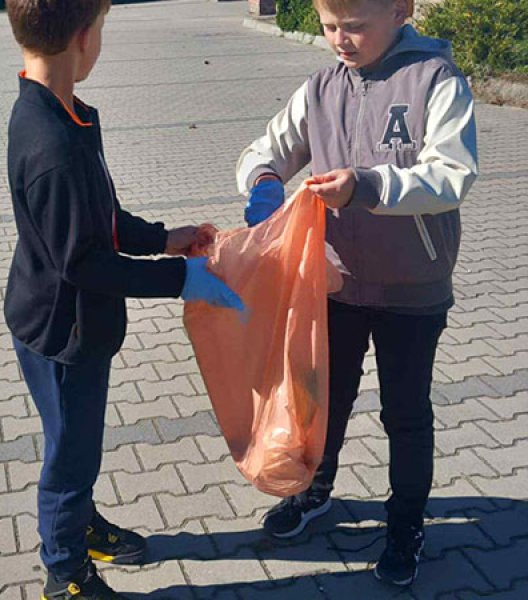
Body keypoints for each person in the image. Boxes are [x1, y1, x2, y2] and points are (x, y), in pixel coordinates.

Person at [4, 2, 243, 598]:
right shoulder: (52, 145)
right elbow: (85, 263)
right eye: (104, 28)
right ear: (84, 38)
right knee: (71, 455)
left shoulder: (66, 116)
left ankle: (79, 525)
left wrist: (163, 239)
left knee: (78, 444)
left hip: (69, 323)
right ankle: (65, 572)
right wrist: (181, 279)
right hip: (62, 334)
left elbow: (101, 221)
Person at [236, 0, 477, 586]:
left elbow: (452, 173)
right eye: (328, 26)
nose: (339, 39)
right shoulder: (321, 87)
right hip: (336, 283)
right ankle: (315, 491)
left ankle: (406, 523)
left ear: (401, 11)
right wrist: (264, 183)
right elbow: (266, 150)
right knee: (326, 402)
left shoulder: (436, 80)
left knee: (406, 413)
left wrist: (367, 186)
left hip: (412, 288)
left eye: (354, 27)